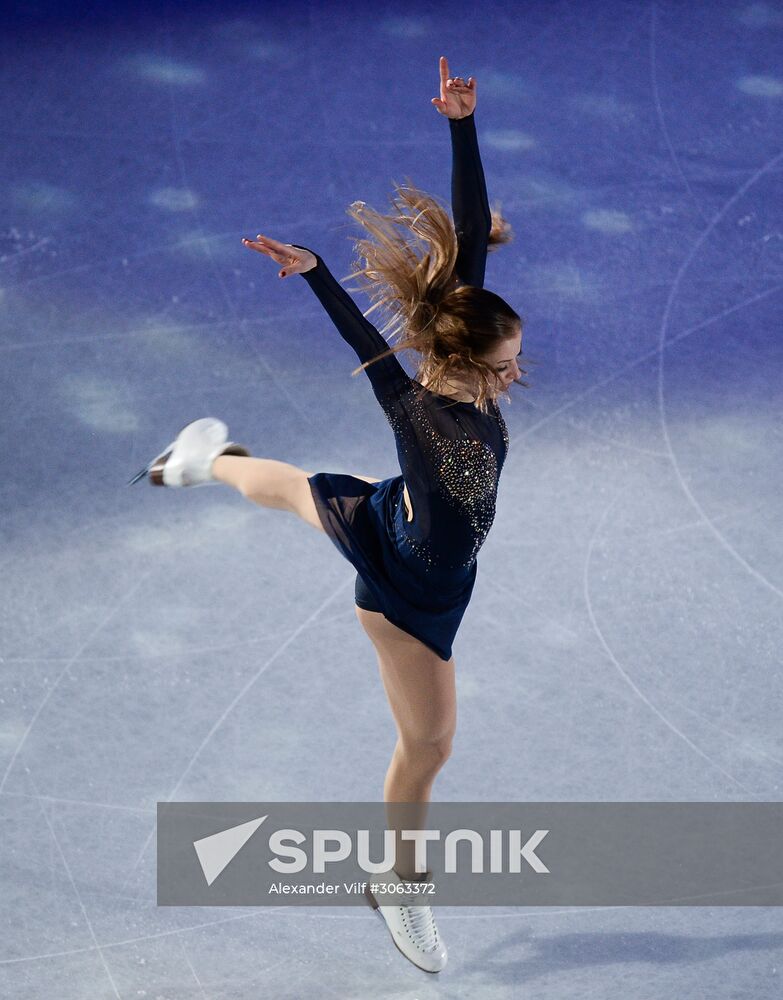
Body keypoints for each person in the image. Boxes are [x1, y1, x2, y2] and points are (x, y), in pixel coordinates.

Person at [130, 56, 527, 974]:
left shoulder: (463, 342)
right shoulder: (417, 410)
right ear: (460, 362)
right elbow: (362, 342)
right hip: (406, 589)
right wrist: (313, 272)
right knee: (428, 747)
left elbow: (466, 233)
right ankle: (400, 884)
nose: (512, 379)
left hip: (410, 533)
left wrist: (461, 125)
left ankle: (205, 460)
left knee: (296, 490)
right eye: (501, 368)